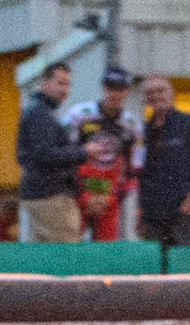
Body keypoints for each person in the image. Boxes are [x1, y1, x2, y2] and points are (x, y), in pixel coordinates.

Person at [63, 66, 141, 242]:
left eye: (119, 88)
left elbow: (134, 167)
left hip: (110, 199)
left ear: (126, 90)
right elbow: (63, 154)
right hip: (76, 194)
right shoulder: (78, 114)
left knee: (105, 250)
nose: (114, 93)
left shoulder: (132, 125)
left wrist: (115, 198)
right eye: (110, 87)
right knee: (70, 245)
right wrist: (79, 194)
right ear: (103, 87)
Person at [136, 74, 190, 247]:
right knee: (154, 269)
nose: (156, 96)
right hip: (152, 215)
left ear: (171, 93)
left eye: (160, 90)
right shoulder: (143, 130)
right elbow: (140, 172)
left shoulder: (188, 123)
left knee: (185, 269)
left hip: (183, 213)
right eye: (150, 93)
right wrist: (140, 212)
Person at [16, 63, 87, 243]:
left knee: (45, 250)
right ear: (45, 82)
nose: (65, 90)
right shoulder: (40, 113)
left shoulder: (40, 111)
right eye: (60, 83)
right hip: (50, 195)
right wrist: (83, 152)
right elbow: (46, 154)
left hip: (41, 193)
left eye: (68, 84)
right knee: (65, 247)